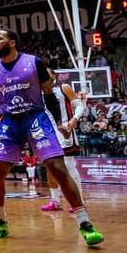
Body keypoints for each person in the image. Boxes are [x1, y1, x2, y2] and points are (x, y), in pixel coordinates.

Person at [0, 30, 103, 246]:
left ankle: (85, 223)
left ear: (12, 42)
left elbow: (49, 94)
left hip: (35, 117)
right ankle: (0, 221)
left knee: (57, 167)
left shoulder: (33, 63)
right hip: (9, 121)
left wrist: (59, 123)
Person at [42, 81, 89, 212]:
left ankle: (79, 201)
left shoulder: (63, 87)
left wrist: (75, 118)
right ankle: (55, 201)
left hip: (64, 127)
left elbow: (79, 105)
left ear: (52, 76)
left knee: (68, 164)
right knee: (50, 166)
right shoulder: (36, 90)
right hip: (47, 130)